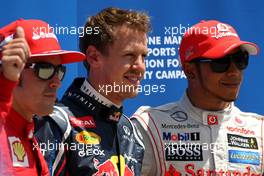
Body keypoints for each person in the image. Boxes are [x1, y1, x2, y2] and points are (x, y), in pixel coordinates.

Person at [131, 20, 264, 176]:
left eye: (241, 59)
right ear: (190, 70)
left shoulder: (259, 130)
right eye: (221, 63)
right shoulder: (150, 127)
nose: (234, 72)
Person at [34, 7, 151, 176]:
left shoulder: (131, 131)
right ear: (94, 57)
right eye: (129, 55)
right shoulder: (57, 124)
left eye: (143, 56)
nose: (140, 66)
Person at [0, 19, 85, 176]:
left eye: (59, 70)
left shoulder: (29, 137)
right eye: (44, 70)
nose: (57, 82)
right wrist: (5, 81)